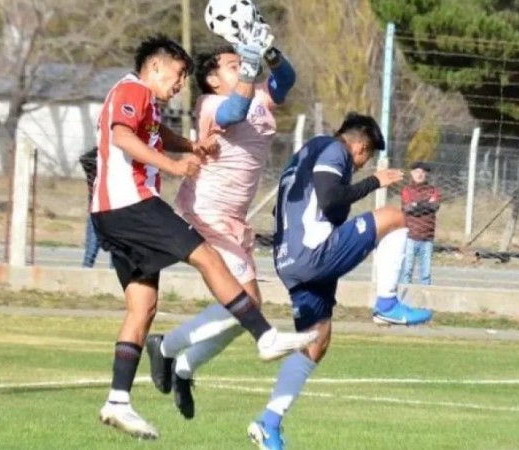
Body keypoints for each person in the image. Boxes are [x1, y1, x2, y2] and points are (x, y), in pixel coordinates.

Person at [90, 34, 316, 441]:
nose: (179, 84)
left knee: (142, 307)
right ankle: (265, 337)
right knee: (206, 257)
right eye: (178, 74)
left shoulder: (148, 102)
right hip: (133, 204)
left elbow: (155, 131)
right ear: (155, 66)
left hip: (112, 213)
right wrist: (174, 166)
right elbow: (123, 136)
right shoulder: (134, 89)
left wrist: (190, 145)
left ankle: (118, 400)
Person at [247, 113, 433, 450]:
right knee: (396, 217)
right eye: (366, 158)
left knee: (315, 342)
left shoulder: (303, 157)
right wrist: (374, 182)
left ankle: (268, 424)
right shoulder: (335, 151)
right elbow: (332, 197)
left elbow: (284, 211)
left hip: (289, 261)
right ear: (360, 146)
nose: (362, 165)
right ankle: (387, 303)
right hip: (314, 254)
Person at [145, 24, 297, 420]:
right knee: (247, 306)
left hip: (234, 218)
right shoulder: (212, 105)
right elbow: (235, 110)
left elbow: (286, 78)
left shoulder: (260, 95)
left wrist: (269, 52)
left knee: (241, 312)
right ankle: (166, 348)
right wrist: (250, 63)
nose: (242, 67)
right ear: (213, 79)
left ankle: (181, 365)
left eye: (241, 62)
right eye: (232, 64)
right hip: (207, 211)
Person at [400, 161, 440, 285]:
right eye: (417, 172)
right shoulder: (406, 190)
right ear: (412, 173)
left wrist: (416, 204)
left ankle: (424, 302)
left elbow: (434, 206)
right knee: (406, 271)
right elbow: (407, 208)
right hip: (410, 237)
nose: (420, 174)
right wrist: (425, 204)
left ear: (426, 174)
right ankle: (405, 300)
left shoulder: (434, 190)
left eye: (423, 172)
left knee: (426, 274)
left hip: (427, 238)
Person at [79, 147, 112, 269]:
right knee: (90, 254)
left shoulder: (119, 171)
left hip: (115, 214)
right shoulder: (93, 168)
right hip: (97, 213)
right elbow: (84, 159)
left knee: (116, 255)